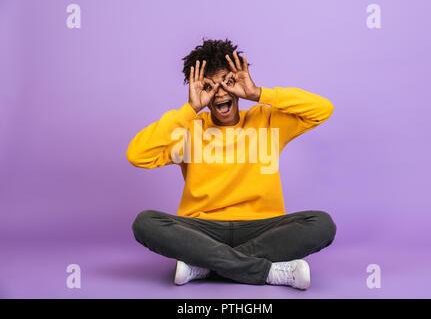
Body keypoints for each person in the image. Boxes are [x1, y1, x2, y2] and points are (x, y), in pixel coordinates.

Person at [127, 39, 336, 290]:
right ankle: (267, 271)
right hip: (202, 229)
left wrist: (259, 94)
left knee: (321, 224)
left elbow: (323, 109)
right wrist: (190, 109)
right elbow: (137, 155)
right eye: (209, 86)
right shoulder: (190, 129)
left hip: (262, 228)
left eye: (227, 82)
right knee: (146, 222)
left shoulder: (267, 120)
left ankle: (204, 265)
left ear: (238, 81)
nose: (221, 92)